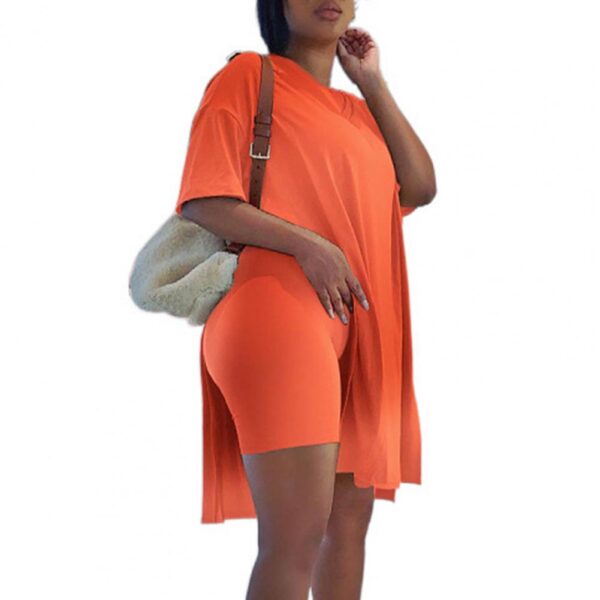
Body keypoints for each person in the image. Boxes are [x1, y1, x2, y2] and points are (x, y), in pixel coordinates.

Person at [175, 0, 436, 597]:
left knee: (346, 527)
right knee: (294, 536)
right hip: (276, 308)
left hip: (358, 329)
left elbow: (420, 185)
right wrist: (309, 244)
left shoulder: (360, 112)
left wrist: (371, 82)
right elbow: (204, 198)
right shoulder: (248, 75)